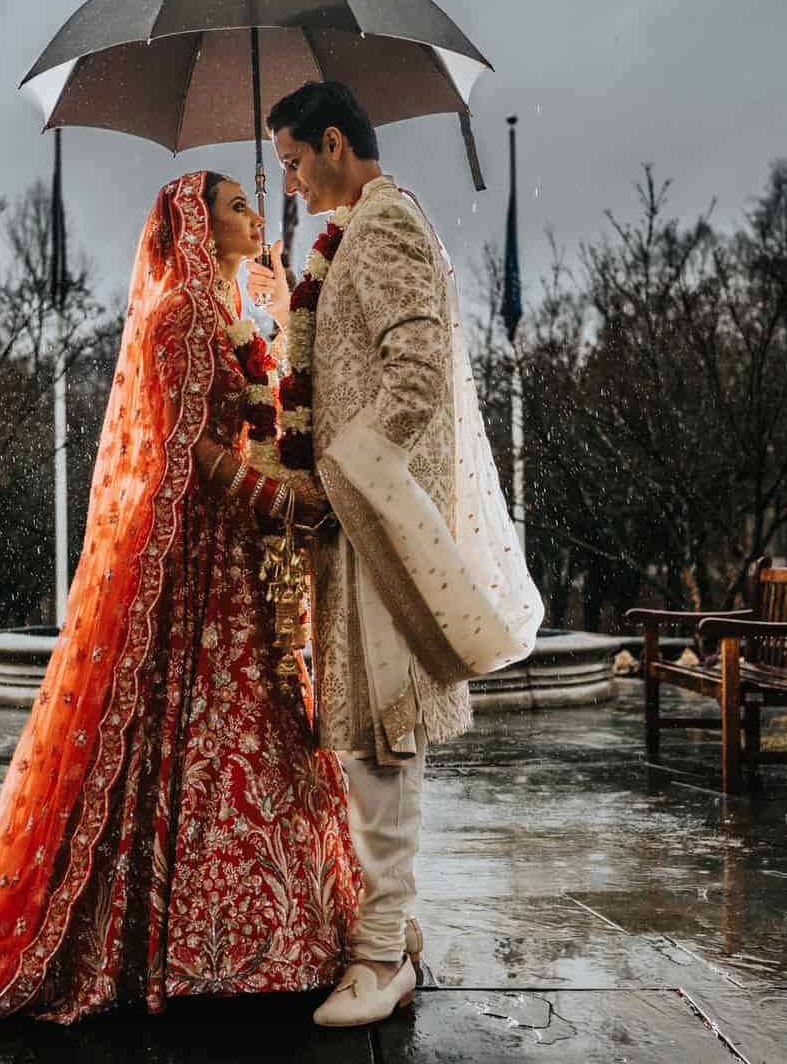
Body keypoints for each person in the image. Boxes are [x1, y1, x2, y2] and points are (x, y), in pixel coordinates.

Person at [0, 170, 361, 1035]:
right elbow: (190, 449)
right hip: (192, 554)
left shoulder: (225, 305)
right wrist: (277, 501)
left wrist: (271, 319)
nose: (253, 213)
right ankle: (203, 946)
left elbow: (259, 417)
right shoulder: (182, 315)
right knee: (194, 732)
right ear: (195, 225)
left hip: (225, 556)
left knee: (247, 727)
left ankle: (267, 933)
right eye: (237, 205)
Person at [267, 81, 545, 1027]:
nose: (292, 184)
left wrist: (339, 475)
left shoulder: (383, 227)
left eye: (295, 163)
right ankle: (396, 927)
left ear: (335, 142)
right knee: (367, 736)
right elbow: (350, 363)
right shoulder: (356, 231)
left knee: (383, 735)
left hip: (377, 519)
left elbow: (415, 377)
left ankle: (381, 958)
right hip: (362, 519)